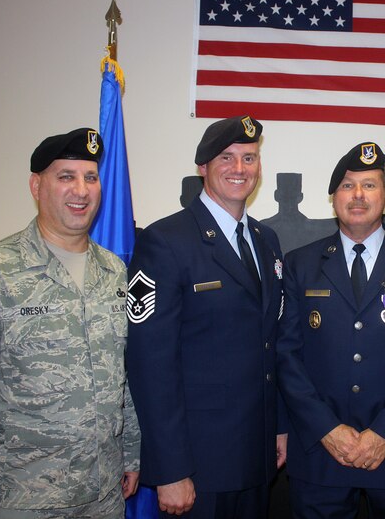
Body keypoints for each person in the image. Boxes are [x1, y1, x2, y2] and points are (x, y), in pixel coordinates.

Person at [0, 128, 140, 519]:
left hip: (101, 495)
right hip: (17, 497)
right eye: (66, 177)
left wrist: (131, 452)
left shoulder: (114, 272)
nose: (81, 190)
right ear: (36, 185)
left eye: (90, 177)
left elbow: (124, 375)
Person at [277, 142, 385, 518]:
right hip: (321, 453)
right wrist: (327, 429)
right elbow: (286, 353)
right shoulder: (300, 264)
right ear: (333, 198)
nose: (358, 195)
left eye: (369, 185)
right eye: (347, 185)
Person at [126, 115, 285, 518]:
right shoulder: (165, 242)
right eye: (226, 158)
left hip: (256, 454)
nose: (239, 169)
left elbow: (272, 344)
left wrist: (279, 426)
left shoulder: (267, 241)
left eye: (249, 158)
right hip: (198, 465)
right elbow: (150, 364)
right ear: (203, 167)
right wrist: (170, 469)